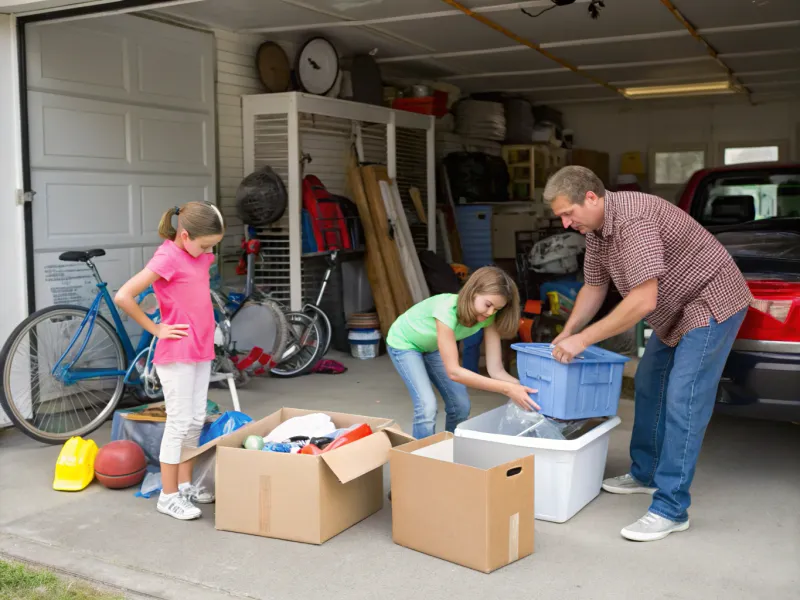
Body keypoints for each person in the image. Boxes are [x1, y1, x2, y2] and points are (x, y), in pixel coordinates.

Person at [544, 166, 751, 542]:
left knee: (683, 398)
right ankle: (646, 473)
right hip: (675, 309)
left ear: (591, 197)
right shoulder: (596, 231)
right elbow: (593, 287)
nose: (565, 223)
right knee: (649, 381)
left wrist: (584, 340)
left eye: (568, 213)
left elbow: (642, 300)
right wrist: (567, 332)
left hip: (710, 300)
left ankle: (671, 508)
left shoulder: (634, 220)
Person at [115, 201, 225, 521]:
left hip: (201, 348)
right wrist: (156, 329)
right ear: (186, 234)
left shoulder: (199, 256)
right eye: (205, 245)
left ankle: (185, 485)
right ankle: (168, 494)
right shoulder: (167, 256)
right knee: (178, 423)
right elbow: (124, 295)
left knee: (194, 420)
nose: (208, 252)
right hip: (176, 353)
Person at [386, 266, 539, 440]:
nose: (490, 313)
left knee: (461, 406)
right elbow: (454, 372)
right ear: (473, 292)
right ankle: (421, 458)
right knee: (427, 407)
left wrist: (523, 387)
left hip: (432, 346)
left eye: (496, 309)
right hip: (405, 343)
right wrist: (508, 389)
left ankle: (449, 450)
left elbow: (496, 370)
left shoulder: (489, 318)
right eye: (488, 305)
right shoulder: (446, 310)